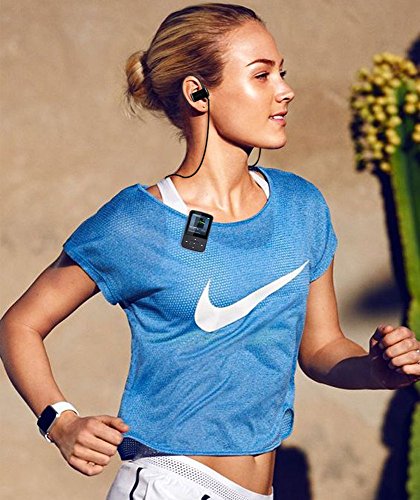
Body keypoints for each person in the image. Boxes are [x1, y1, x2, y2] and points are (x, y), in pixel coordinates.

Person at [1, 3, 419, 499]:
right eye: (261, 75)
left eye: (282, 73)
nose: (285, 90)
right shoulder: (136, 222)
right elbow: (19, 325)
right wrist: (60, 421)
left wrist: (376, 371)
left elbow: (321, 348)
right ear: (198, 92)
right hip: (169, 484)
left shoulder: (301, 206)